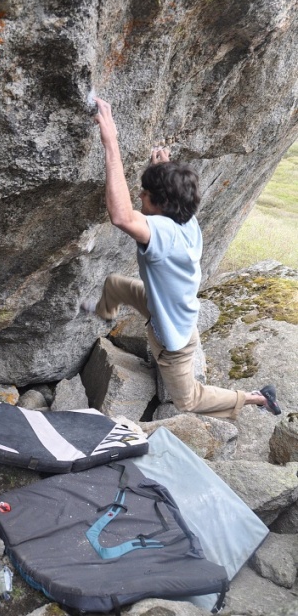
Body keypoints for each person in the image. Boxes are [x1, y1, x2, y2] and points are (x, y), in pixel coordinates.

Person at [81, 96, 281, 419]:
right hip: (165, 306)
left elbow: (120, 215)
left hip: (173, 340)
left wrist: (111, 141)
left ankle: (256, 398)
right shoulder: (185, 218)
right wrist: (161, 168)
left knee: (188, 400)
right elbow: (165, 199)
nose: (139, 197)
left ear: (160, 205)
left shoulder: (166, 235)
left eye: (144, 195)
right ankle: (105, 311)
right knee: (115, 284)